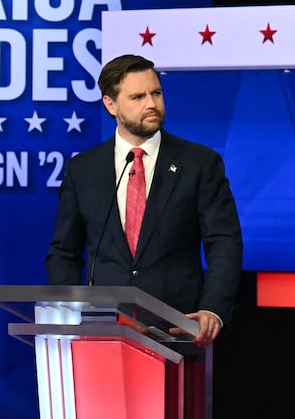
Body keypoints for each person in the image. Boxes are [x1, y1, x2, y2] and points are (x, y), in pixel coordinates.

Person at [46, 54, 242, 347]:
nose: (151, 104)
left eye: (156, 93)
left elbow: (224, 242)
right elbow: (64, 251)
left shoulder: (199, 163)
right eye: (137, 97)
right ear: (110, 105)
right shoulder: (83, 170)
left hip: (180, 332)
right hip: (103, 333)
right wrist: (72, 311)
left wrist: (212, 308)